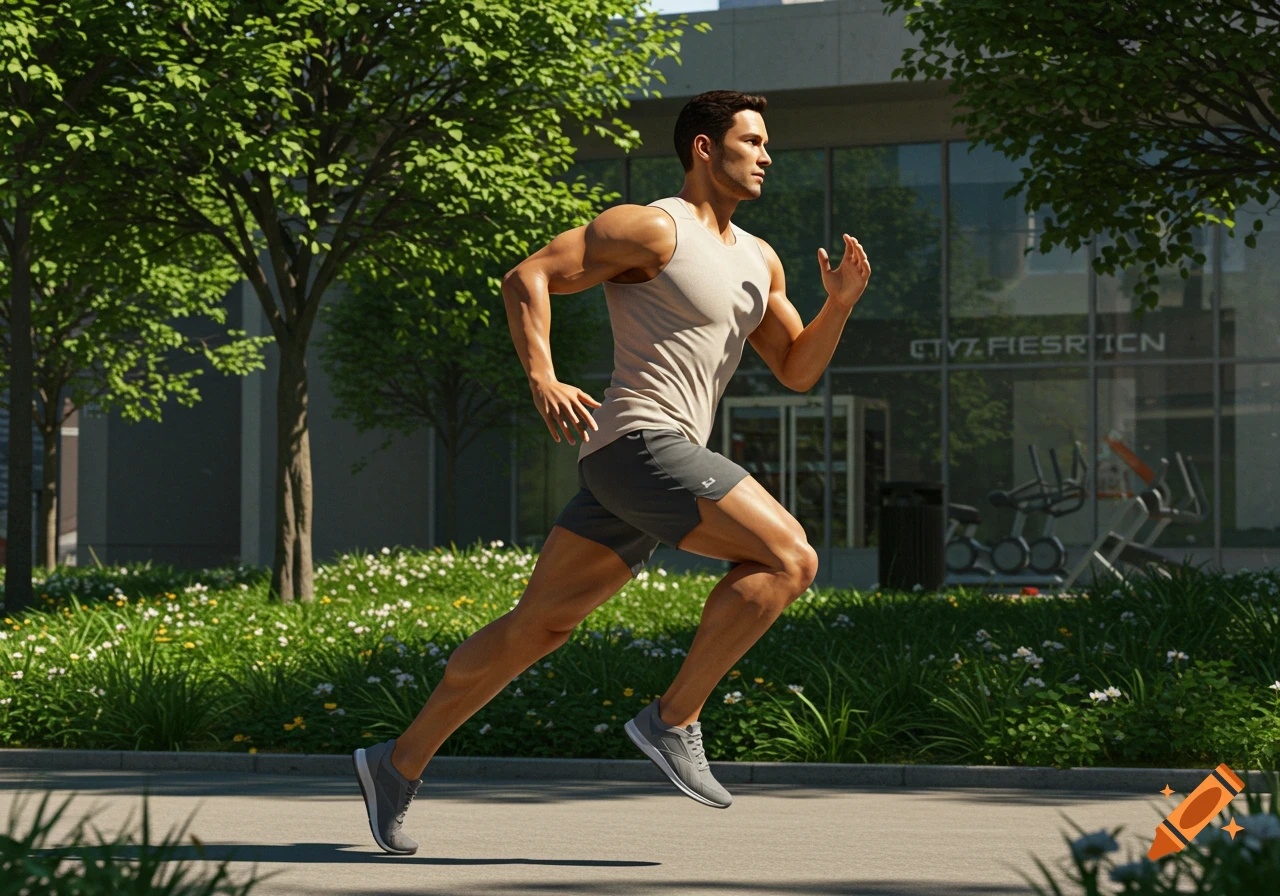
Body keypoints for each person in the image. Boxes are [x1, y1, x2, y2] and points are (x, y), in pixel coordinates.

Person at [353, 89, 871, 855]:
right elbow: (527, 276)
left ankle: (395, 764)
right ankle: (673, 720)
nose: (768, 155)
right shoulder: (652, 228)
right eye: (752, 141)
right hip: (640, 443)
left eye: (767, 144)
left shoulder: (760, 260)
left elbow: (796, 369)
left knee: (537, 627)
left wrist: (840, 306)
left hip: (636, 467)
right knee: (789, 557)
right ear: (704, 148)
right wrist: (543, 377)